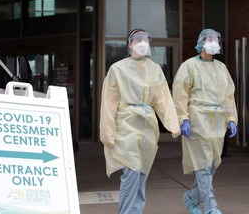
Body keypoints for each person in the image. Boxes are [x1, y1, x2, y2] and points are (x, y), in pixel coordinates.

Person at [99, 28, 181, 214]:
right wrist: (108, 132)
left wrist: (173, 124)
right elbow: (109, 102)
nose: (142, 43)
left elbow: (163, 99)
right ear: (129, 44)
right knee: (132, 172)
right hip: (126, 125)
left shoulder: (155, 69)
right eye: (137, 39)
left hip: (148, 129)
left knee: (142, 175)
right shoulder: (118, 69)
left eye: (145, 39)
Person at [172, 28, 238, 214]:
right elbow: (180, 93)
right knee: (202, 164)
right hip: (197, 120)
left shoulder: (221, 68)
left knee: (211, 164)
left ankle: (191, 197)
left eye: (216, 40)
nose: (214, 42)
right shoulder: (189, 66)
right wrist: (183, 118)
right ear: (201, 42)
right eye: (210, 39)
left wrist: (232, 119)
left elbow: (229, 95)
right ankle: (211, 206)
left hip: (217, 122)